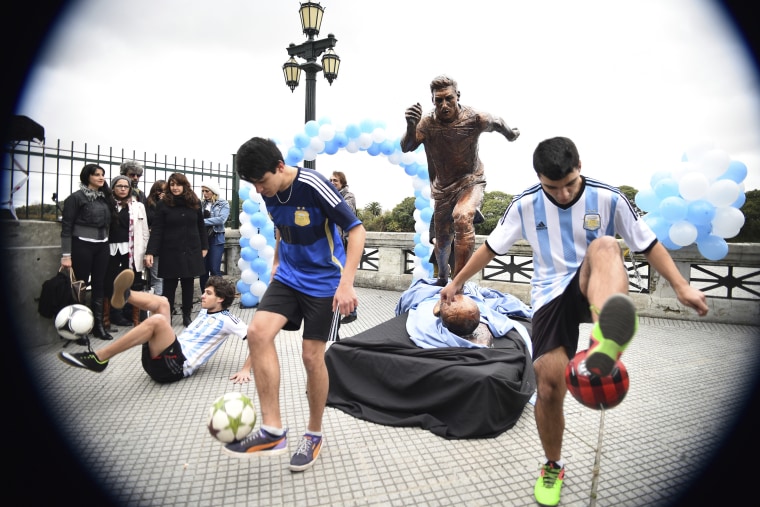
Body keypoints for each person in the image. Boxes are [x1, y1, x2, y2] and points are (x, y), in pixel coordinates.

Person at [439, 136, 709, 506]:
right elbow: (490, 247)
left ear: (579, 166)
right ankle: (553, 465)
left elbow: (646, 243)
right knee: (549, 387)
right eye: (553, 187)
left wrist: (681, 286)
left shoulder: (609, 197)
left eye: (569, 184)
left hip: (596, 279)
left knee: (606, 245)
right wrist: (456, 282)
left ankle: (605, 339)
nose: (564, 194)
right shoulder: (525, 204)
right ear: (539, 177)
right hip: (551, 292)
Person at [223, 136, 366, 473]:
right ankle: (273, 430)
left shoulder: (313, 185)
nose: (259, 190)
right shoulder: (270, 192)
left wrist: (347, 284)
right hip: (288, 275)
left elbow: (356, 230)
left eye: (262, 181)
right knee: (258, 333)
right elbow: (280, 228)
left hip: (325, 281)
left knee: (311, 356)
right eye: (253, 184)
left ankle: (314, 433)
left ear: (280, 167)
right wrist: (276, 261)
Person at [401, 74, 520, 286]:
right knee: (443, 238)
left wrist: (511, 134)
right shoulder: (427, 123)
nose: (444, 105)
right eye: (439, 100)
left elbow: (498, 122)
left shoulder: (475, 118)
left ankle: (458, 285)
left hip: (470, 180)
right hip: (443, 188)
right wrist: (411, 125)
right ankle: (442, 277)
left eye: (448, 98)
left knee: (463, 217)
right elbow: (407, 146)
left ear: (457, 96)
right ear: (433, 101)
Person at [58, 270, 251, 383]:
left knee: (157, 321)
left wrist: (246, 370)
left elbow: (257, 339)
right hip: (163, 356)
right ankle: (126, 296)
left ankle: (100, 358)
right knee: (163, 303)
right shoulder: (205, 310)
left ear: (220, 299)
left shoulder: (228, 320)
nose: (202, 296)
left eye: (208, 293)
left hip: (175, 368)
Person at [145, 173, 208, 327]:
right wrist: (150, 251)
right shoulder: (163, 204)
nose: (175, 188)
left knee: (188, 283)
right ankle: (167, 316)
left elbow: (201, 226)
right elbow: (157, 229)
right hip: (170, 250)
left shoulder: (195, 202)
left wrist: (204, 246)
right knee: (169, 285)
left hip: (191, 248)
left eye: (178, 184)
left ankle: (187, 315)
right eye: (172, 184)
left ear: (184, 185)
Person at [60, 164, 113, 340]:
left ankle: (98, 325)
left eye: (103, 174)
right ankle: (78, 327)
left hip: (102, 245)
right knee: (80, 285)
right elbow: (66, 226)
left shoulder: (105, 197)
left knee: (100, 284)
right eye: (96, 174)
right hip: (82, 244)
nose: (101, 177)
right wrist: (66, 255)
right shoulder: (76, 198)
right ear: (87, 176)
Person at [104, 175, 150, 329]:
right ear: (113, 188)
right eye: (119, 186)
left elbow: (144, 232)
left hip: (130, 251)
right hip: (109, 250)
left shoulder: (138, 206)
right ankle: (108, 318)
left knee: (131, 282)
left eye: (126, 186)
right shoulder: (107, 205)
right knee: (109, 282)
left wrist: (145, 253)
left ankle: (134, 319)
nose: (123, 189)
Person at [330, 171, 358, 324]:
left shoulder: (349, 196)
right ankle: (348, 309)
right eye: (331, 180)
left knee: (345, 276)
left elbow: (345, 212)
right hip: (334, 243)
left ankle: (352, 310)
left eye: (335, 180)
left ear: (342, 183)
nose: (332, 182)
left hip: (346, 243)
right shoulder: (332, 195)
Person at [199, 180, 230, 295]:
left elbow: (221, 220)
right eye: (203, 191)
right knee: (203, 270)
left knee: (214, 268)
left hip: (216, 239)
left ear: (213, 191)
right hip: (203, 240)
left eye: (207, 191)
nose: (205, 193)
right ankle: (205, 296)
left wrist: (202, 221)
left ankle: (220, 295)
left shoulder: (223, 203)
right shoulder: (201, 204)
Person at [145, 180, 166, 297]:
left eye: (165, 191)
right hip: (154, 244)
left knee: (167, 276)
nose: (162, 193)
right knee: (156, 276)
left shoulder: (171, 204)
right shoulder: (149, 204)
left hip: (167, 245)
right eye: (160, 190)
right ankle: (157, 304)